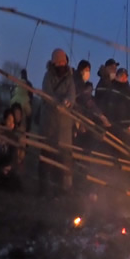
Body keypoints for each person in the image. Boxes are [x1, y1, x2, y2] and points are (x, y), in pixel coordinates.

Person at [39, 48, 77, 194]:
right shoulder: (48, 76)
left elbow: (72, 95)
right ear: (54, 63)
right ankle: (43, 188)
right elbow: (47, 94)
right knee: (47, 156)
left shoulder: (69, 78)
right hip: (50, 123)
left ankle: (64, 189)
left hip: (65, 126)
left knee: (65, 158)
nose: (62, 64)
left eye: (64, 61)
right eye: (59, 61)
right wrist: (56, 104)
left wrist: (67, 102)